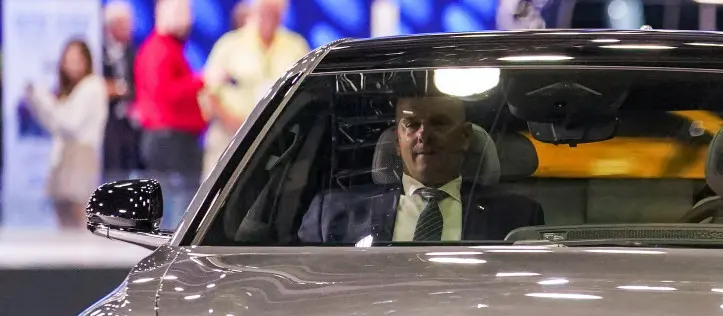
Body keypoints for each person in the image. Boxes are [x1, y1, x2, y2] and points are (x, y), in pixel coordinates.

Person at [298, 92, 544, 244]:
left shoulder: (518, 217)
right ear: (397, 141)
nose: (423, 135)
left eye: (438, 123)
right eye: (412, 124)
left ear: (465, 137)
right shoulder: (330, 215)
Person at [200, 0, 309, 175]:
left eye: (274, 11)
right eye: (264, 10)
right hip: (228, 138)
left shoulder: (296, 46)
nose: (268, 16)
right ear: (253, 11)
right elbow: (208, 95)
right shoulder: (228, 45)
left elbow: (306, 92)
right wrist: (235, 125)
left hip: (278, 139)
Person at [133, 0, 206, 227]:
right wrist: (201, 80)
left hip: (173, 138)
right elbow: (165, 93)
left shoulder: (163, 49)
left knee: (174, 199)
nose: (189, 21)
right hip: (170, 139)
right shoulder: (160, 50)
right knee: (176, 201)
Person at [25, 40, 108, 229]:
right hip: (63, 157)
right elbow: (56, 126)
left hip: (80, 156)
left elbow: (70, 124)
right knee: (63, 219)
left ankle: (85, 259)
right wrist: (38, 104)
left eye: (78, 59)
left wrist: (44, 99)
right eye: (69, 60)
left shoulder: (92, 86)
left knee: (79, 219)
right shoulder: (70, 91)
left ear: (87, 60)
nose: (73, 64)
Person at [100, 1, 142, 183]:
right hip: (106, 123)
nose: (129, 28)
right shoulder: (97, 53)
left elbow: (138, 85)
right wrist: (115, 89)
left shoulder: (134, 52)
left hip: (131, 124)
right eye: (123, 24)